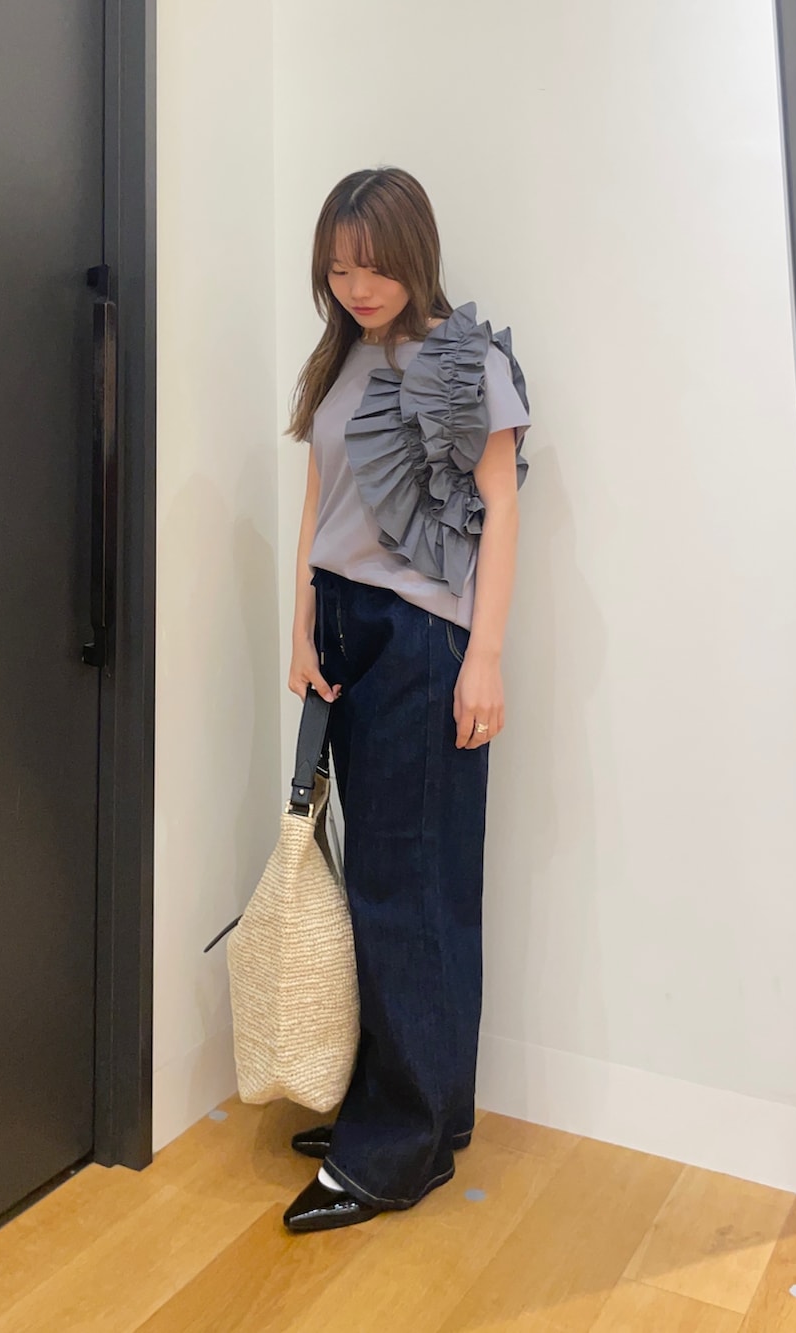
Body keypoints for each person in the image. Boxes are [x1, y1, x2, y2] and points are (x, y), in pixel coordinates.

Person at [281, 166, 531, 1233]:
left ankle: (399, 1148)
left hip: (424, 638)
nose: (356, 286)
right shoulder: (341, 356)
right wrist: (300, 623)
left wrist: (485, 658)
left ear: (413, 253)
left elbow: (501, 505)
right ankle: (420, 1108)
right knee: (394, 879)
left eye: (374, 265)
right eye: (339, 269)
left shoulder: (465, 360)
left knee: (409, 886)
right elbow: (318, 499)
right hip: (346, 625)